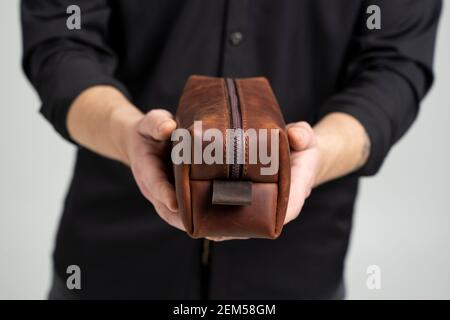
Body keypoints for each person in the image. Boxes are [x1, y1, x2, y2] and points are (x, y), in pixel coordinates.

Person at [21, 0, 441, 299]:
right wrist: (126, 132)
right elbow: (62, 41)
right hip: (115, 258)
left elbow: (395, 64)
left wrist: (318, 155)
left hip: (297, 269)